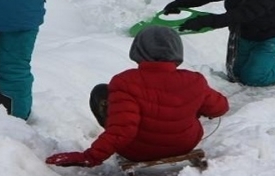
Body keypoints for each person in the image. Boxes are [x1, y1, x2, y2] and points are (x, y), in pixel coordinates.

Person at [45, 26, 229, 167]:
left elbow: (123, 130)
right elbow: (220, 108)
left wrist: (89, 157)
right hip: (184, 145)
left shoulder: (125, 82)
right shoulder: (194, 80)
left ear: (138, 50)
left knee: (102, 92)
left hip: (138, 151)